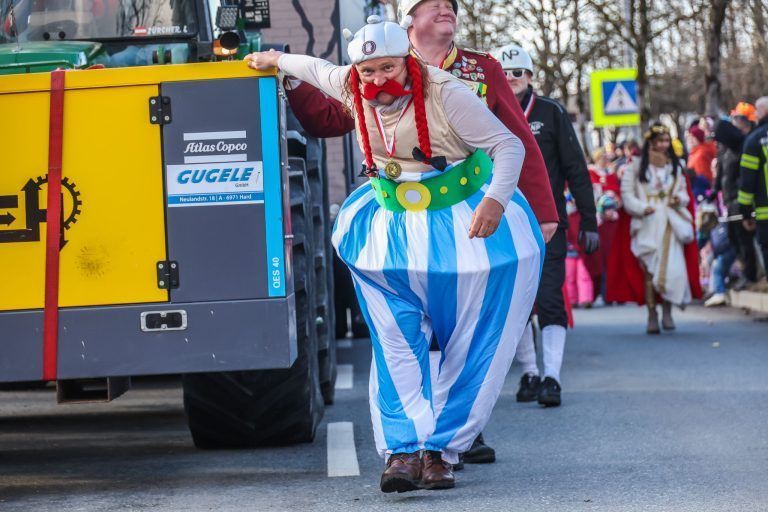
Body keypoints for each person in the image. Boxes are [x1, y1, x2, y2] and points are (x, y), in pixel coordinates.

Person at [245, 15, 543, 493]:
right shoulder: (349, 83)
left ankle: (442, 451)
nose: (379, 82)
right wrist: (274, 60)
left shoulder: (447, 93)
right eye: (368, 72)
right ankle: (402, 453)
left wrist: (495, 201)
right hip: (389, 229)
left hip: (460, 224)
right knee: (395, 343)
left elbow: (508, 146)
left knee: (470, 345)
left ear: (406, 60)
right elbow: (311, 66)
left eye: (388, 68)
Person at [494, 43, 598, 407]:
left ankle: (552, 377)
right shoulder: (487, 110)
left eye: (517, 73)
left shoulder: (551, 113)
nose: (511, 80)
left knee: (550, 299)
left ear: (530, 77)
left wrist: (590, 220)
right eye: (504, 75)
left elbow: (576, 170)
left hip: (546, 223)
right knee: (516, 302)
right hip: (502, 224)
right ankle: (529, 372)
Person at [620, 124, 698, 333]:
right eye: (660, 141)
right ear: (651, 142)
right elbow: (627, 194)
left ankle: (668, 311)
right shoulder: (636, 166)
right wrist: (641, 208)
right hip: (646, 223)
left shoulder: (675, 166)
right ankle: (652, 315)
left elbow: (684, 194)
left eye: (666, 141)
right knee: (648, 272)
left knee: (673, 269)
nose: (664, 145)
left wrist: (677, 199)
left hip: (669, 223)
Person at [737, 96, 768, 275]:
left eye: (757, 111)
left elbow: (747, 182)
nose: (755, 115)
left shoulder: (754, 140)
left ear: (763, 112)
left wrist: (745, 212)